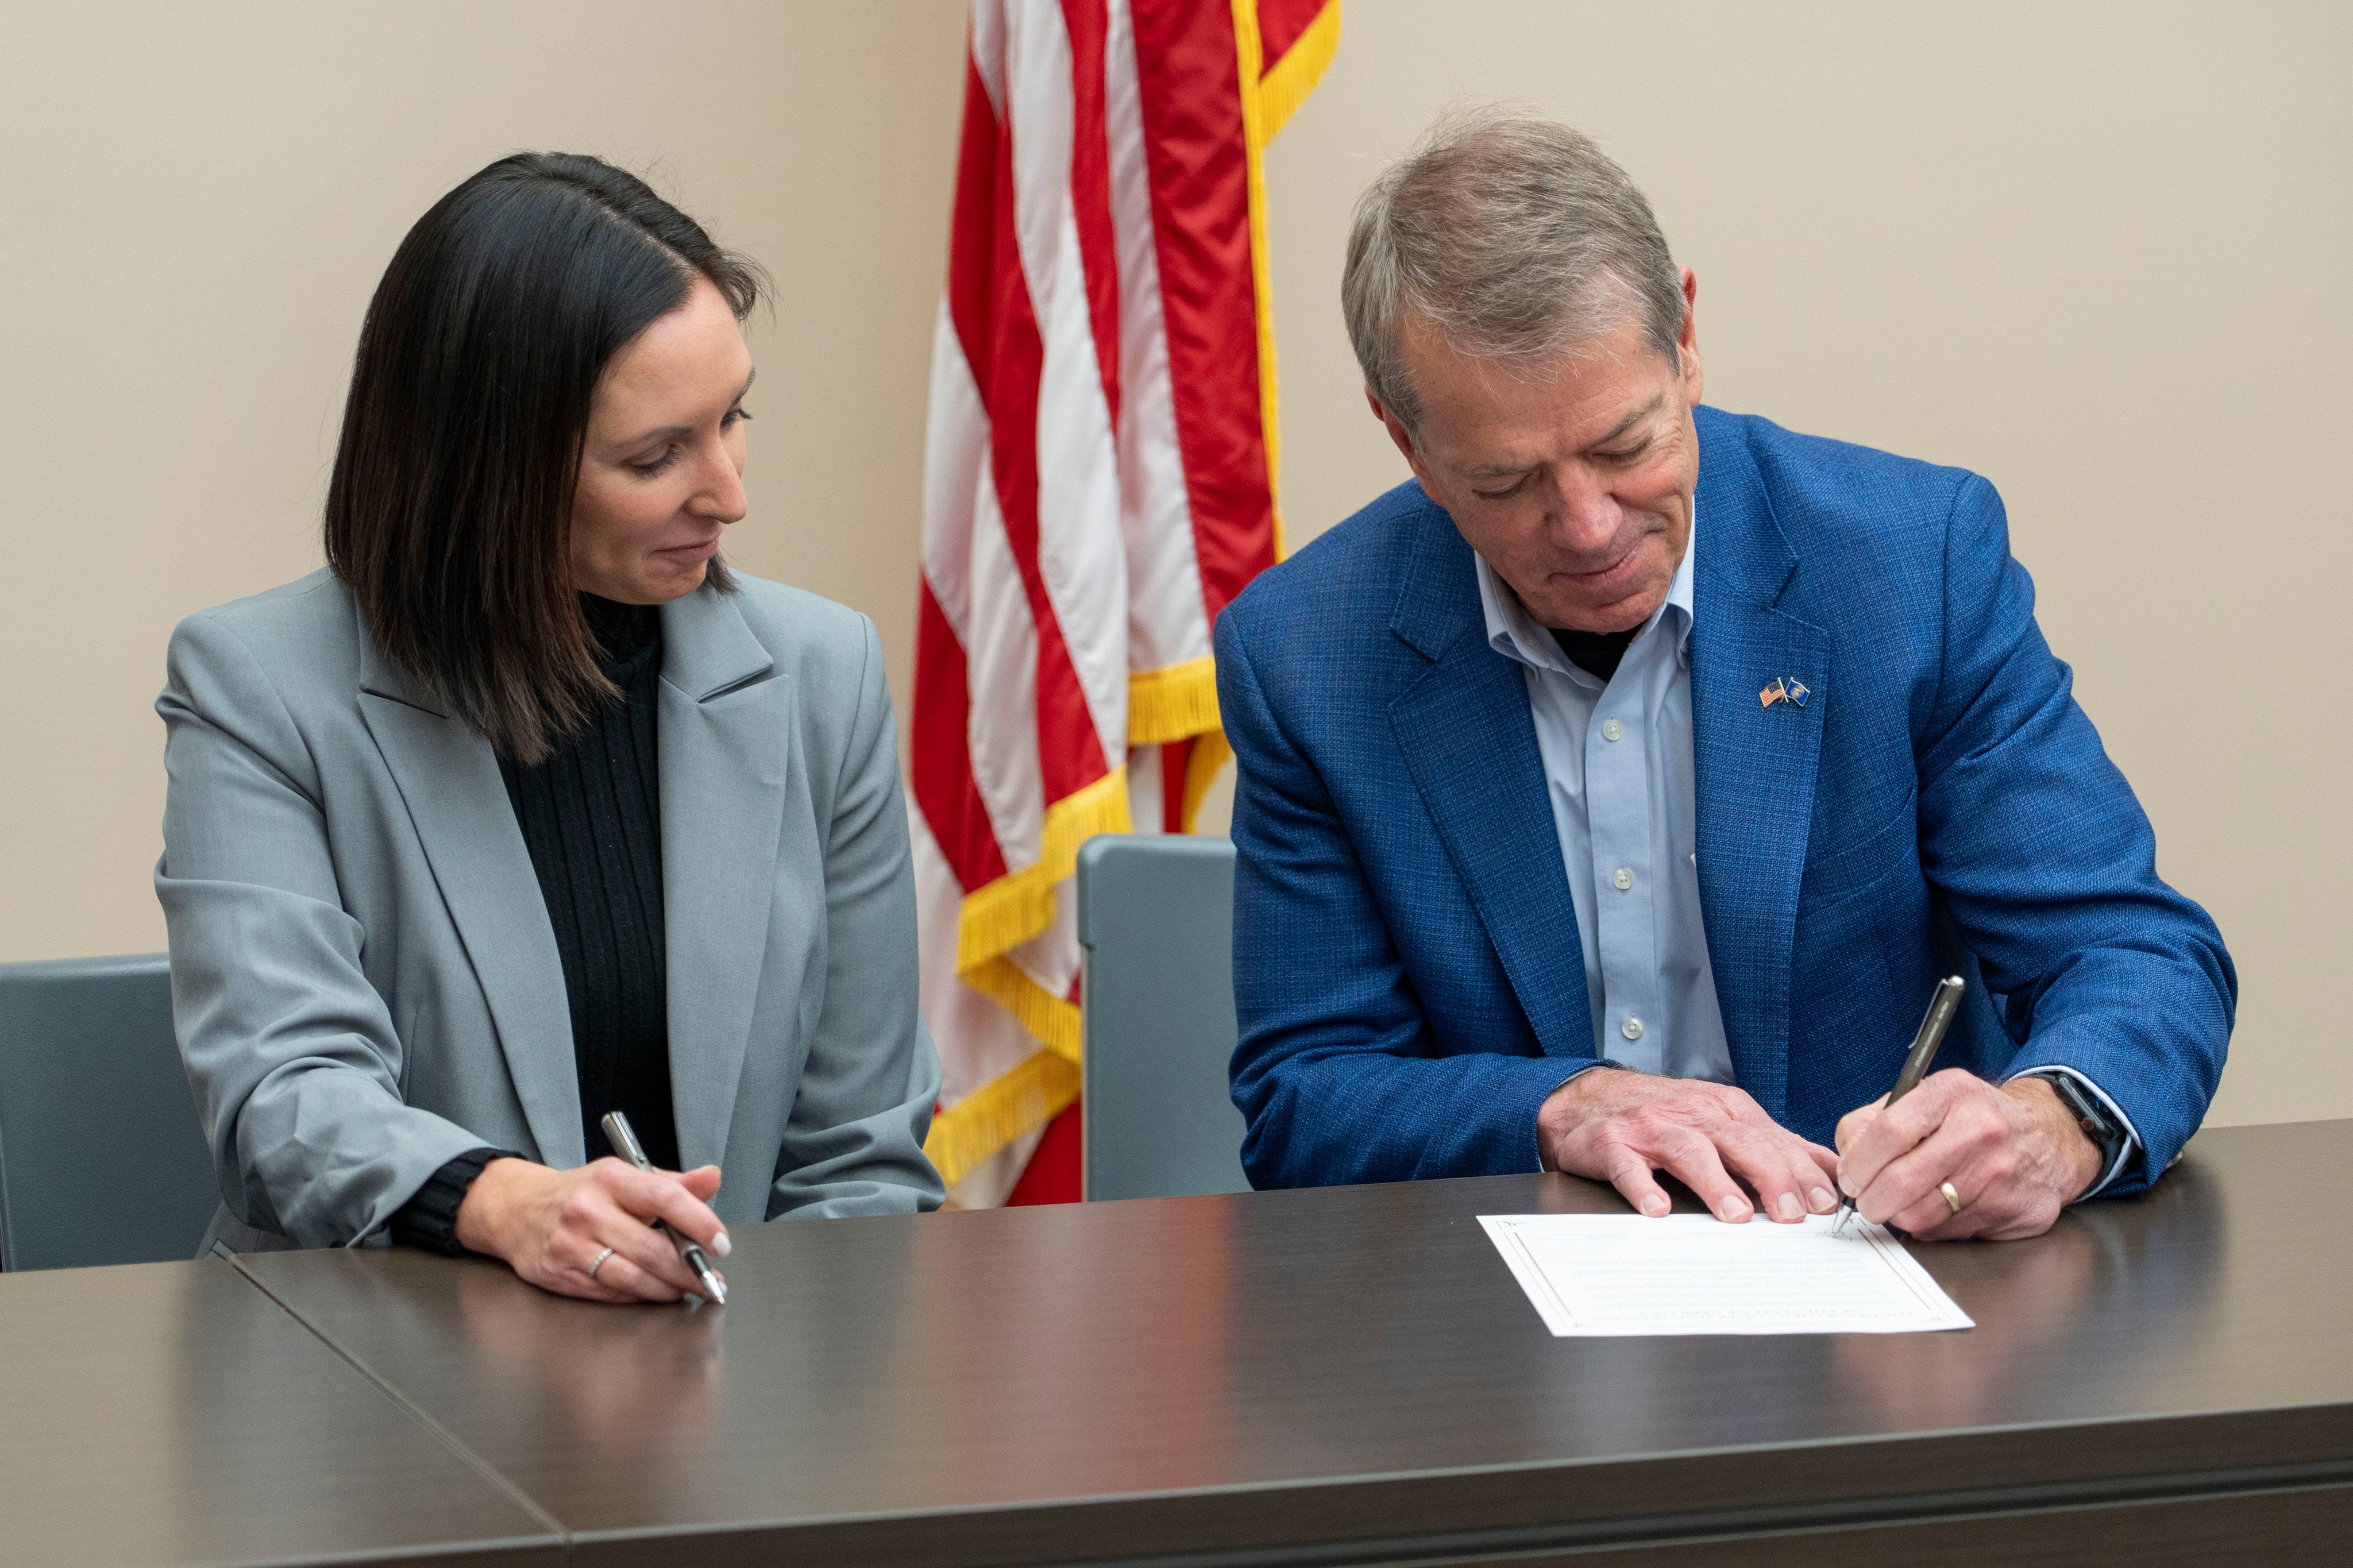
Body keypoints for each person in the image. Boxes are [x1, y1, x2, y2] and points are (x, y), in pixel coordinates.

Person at [1214, 111, 2234, 1242]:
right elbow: (1305, 1093)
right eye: (1505, 483)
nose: (1588, 527)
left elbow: (2131, 955)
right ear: (1406, 444)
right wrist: (1558, 1106)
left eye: (1621, 445)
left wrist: (2047, 1127)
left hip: (1878, 1283)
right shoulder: (1305, 655)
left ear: (1685, 339)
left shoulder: (1907, 565)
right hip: (1506, 1340)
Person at [158, 153, 943, 1302]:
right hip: (374, 1376)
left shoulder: (821, 674)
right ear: (489, 473)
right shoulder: (259, 686)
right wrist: (510, 1202)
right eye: (655, 455)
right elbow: (286, 1098)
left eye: (732, 419)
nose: (729, 493)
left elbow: (858, 1156)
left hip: (736, 1389)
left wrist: (780, 1418)